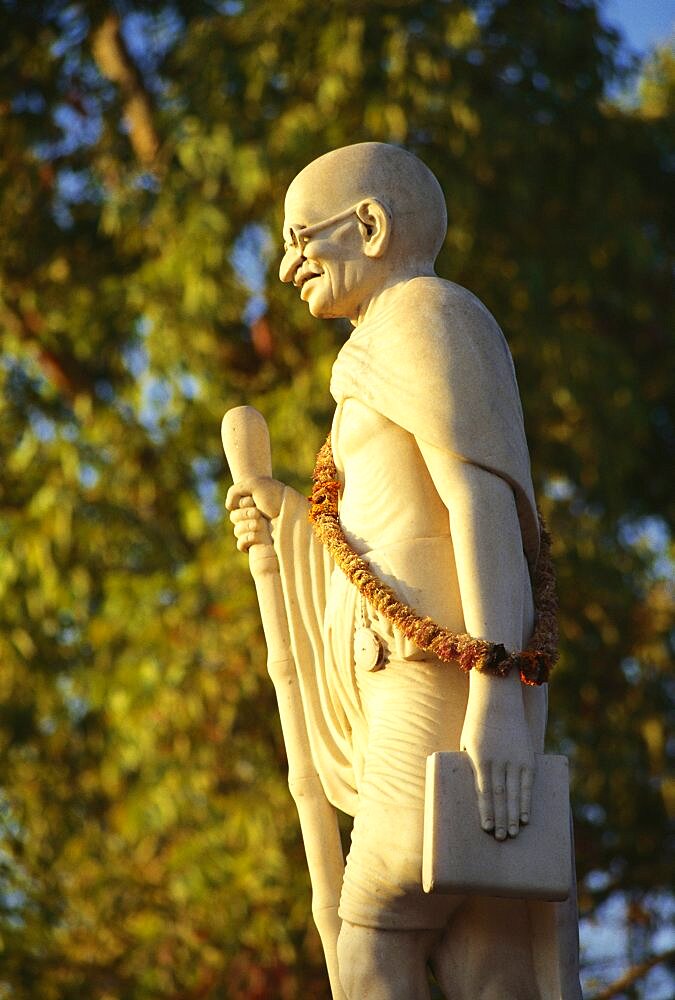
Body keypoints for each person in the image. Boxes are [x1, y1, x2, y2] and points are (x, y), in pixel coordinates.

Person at [227, 143, 580, 999]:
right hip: (429, 684)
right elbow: (392, 537)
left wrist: (495, 698)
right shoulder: (387, 341)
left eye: (302, 237)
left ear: (371, 227)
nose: (285, 266)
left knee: (369, 941)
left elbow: (480, 506)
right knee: (485, 964)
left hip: (439, 688)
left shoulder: (425, 315)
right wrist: (283, 514)